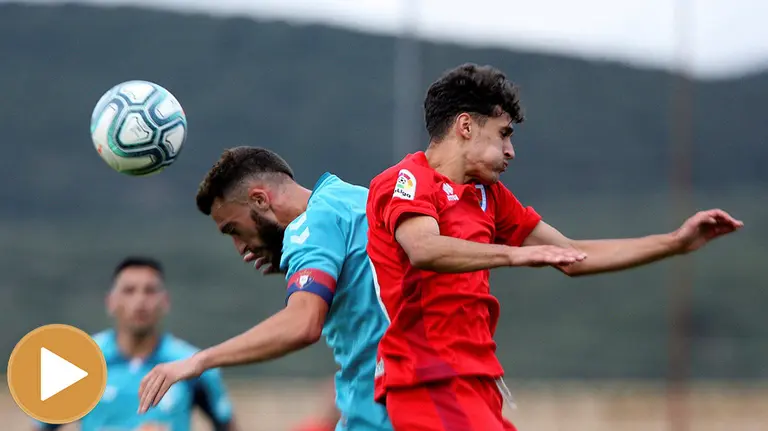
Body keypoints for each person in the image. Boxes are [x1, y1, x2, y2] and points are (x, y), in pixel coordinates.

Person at [365, 63, 744, 431]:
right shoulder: (406, 179)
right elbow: (424, 247)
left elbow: (572, 255)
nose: (510, 150)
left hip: (478, 380)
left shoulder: (488, 196)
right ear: (466, 126)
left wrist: (675, 243)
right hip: (429, 378)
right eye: (503, 134)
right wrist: (514, 254)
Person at [137, 147, 393, 431]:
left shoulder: (310, 225)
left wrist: (200, 360)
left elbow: (303, 324)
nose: (240, 248)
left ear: (259, 199)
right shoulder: (353, 198)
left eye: (234, 230)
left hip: (380, 416)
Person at [35, 256, 238, 431]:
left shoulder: (191, 364)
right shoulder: (80, 360)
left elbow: (227, 425)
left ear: (165, 301)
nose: (140, 301)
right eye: (129, 290)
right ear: (111, 301)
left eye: (150, 291)